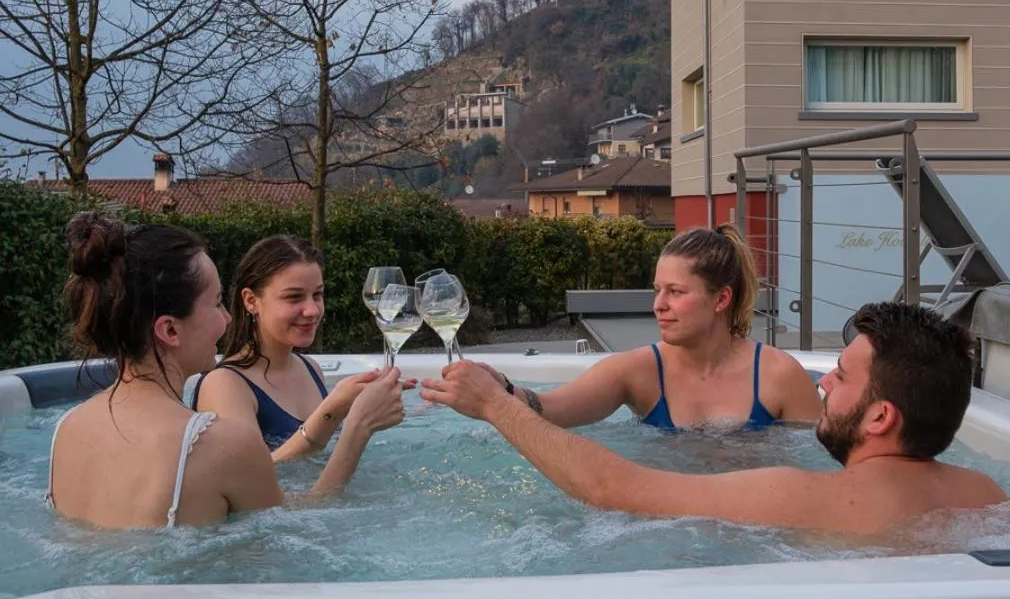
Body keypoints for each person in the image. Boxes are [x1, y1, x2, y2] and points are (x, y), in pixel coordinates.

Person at [420, 301, 1006, 535]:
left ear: (880, 417)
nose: (823, 383)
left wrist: (495, 405)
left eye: (841, 376)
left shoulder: (807, 495)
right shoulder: (986, 494)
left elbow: (611, 488)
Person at [47, 213, 406, 530]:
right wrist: (358, 428)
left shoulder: (67, 429)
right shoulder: (221, 444)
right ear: (170, 330)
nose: (228, 318)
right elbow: (299, 530)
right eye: (217, 303)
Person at [482, 224, 821, 430]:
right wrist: (501, 390)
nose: (658, 304)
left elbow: (820, 471)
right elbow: (552, 409)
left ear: (721, 299)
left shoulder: (779, 376)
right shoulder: (638, 372)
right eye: (657, 290)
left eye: (675, 292)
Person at [192, 235, 413, 460]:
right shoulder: (224, 385)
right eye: (294, 297)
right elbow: (244, 478)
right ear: (251, 301)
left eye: (317, 295)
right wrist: (339, 416)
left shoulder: (310, 368)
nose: (312, 310)